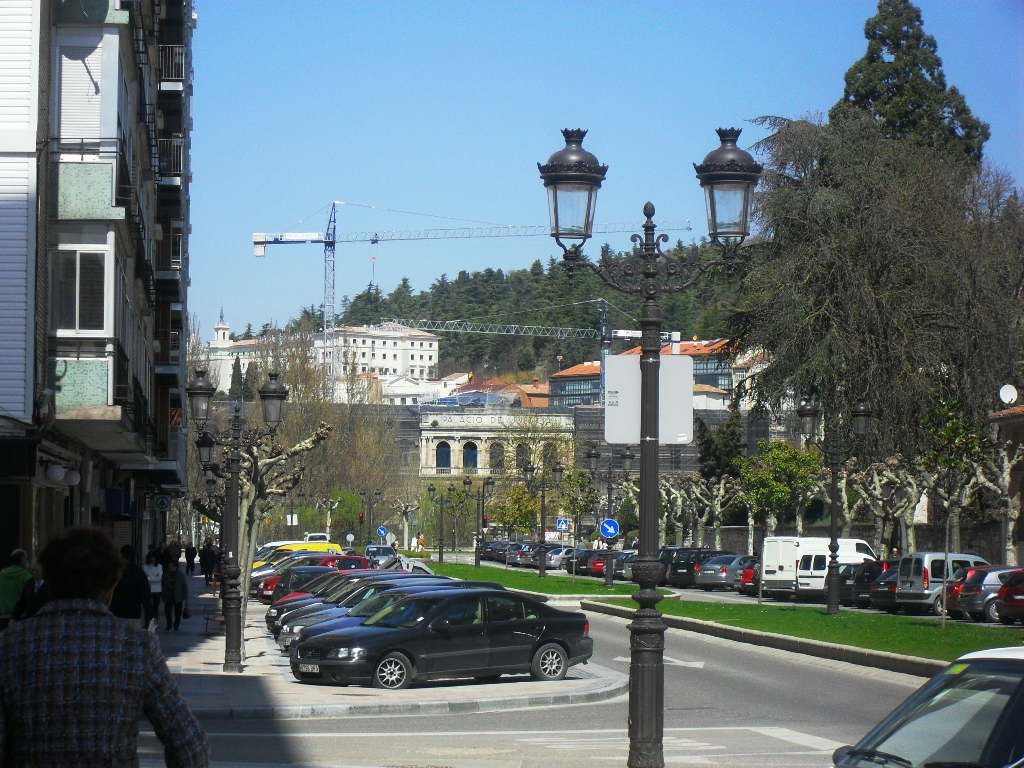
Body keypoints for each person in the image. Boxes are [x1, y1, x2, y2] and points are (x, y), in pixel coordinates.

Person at [0, 527, 209, 766]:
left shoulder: (10, 645)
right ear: (111, 588)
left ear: (49, 581)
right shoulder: (136, 647)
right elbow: (190, 747)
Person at [110, 545, 149, 628]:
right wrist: (148, 617)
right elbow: (146, 596)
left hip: (116, 612)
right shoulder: (139, 572)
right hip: (133, 613)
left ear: (121, 555)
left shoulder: (115, 570)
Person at [0, 549, 32, 630]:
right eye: (26, 559)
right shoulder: (27, 577)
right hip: (19, 619)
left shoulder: (1, 574)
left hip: (2, 617)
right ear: (22, 560)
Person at [162, 560, 188, 631]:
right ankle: (169, 624)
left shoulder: (180, 574)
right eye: (169, 566)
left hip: (178, 596)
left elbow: (184, 586)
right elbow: (163, 584)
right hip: (168, 596)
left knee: (178, 613)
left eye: (171, 566)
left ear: (175, 567)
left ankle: (176, 625)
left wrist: (185, 597)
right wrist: (163, 594)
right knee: (167, 612)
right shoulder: (166, 573)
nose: (170, 567)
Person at [143, 552, 163, 628]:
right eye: (151, 558)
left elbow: (160, 578)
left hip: (157, 590)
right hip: (148, 590)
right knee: (148, 607)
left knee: (155, 608)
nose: (152, 559)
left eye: (154, 557)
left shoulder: (159, 566)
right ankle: (147, 623)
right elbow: (145, 578)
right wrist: (155, 577)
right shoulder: (145, 566)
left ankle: (155, 624)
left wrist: (150, 578)